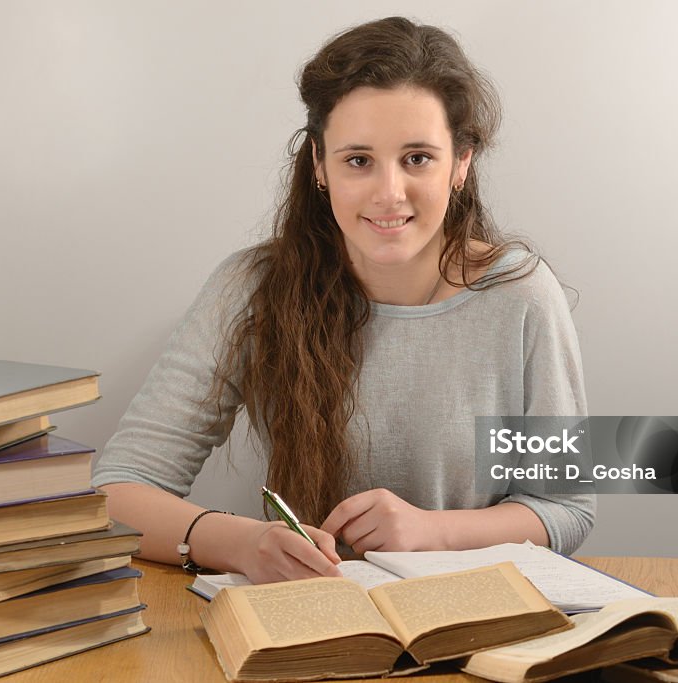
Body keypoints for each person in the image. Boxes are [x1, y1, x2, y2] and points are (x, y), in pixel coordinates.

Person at [92, 16, 594, 584]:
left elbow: (566, 508)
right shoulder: (249, 287)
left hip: (473, 617)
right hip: (314, 622)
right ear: (319, 165)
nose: (389, 194)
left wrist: (432, 531)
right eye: (358, 160)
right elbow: (117, 491)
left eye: (417, 158)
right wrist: (243, 543)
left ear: (461, 163)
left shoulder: (522, 295)